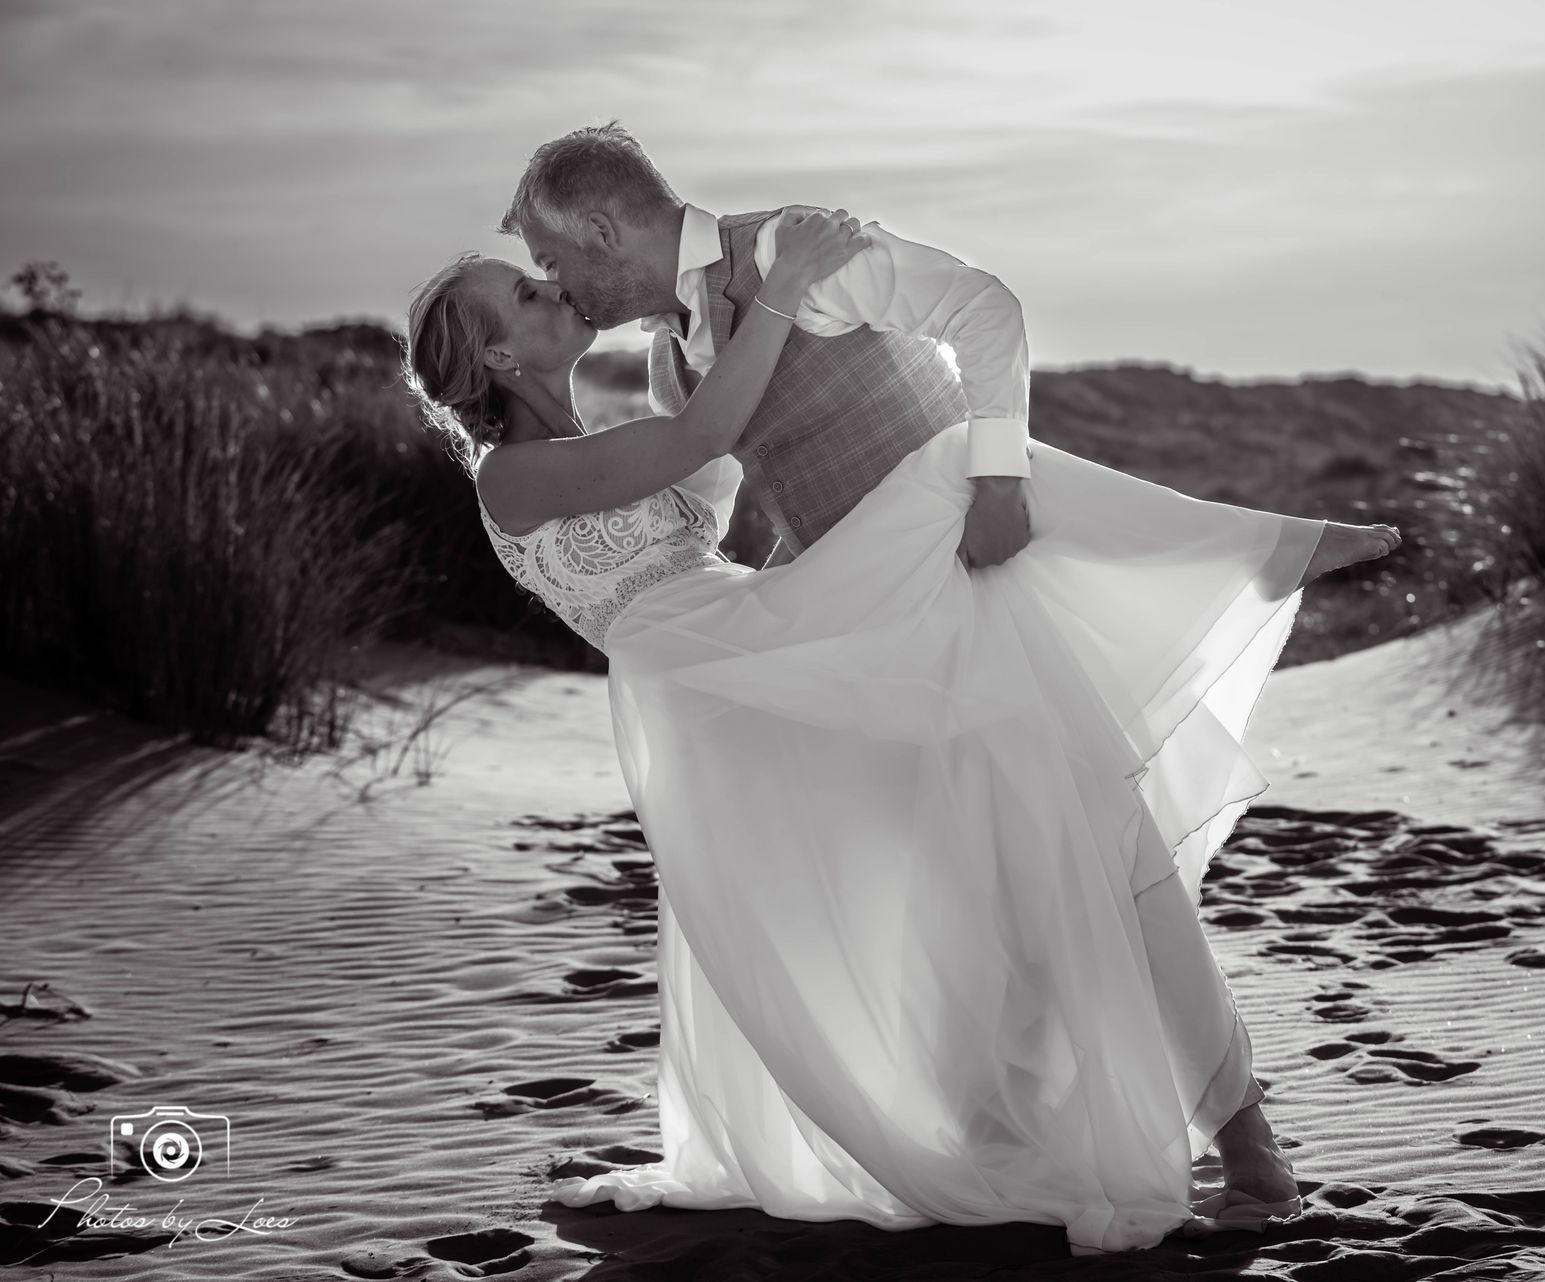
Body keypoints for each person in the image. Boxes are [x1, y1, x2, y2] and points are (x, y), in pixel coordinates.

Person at [404, 187, 1402, 1257]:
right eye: (522, 289)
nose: (549, 284)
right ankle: (1255, 551)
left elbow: (730, 499)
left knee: (1023, 826)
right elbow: (712, 433)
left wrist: (851, 578)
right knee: (949, 480)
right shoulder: (513, 478)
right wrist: (781, 289)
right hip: (720, 687)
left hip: (761, 643)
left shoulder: (634, 394)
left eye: (544, 265)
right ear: (499, 359)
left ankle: (1019, 1117)